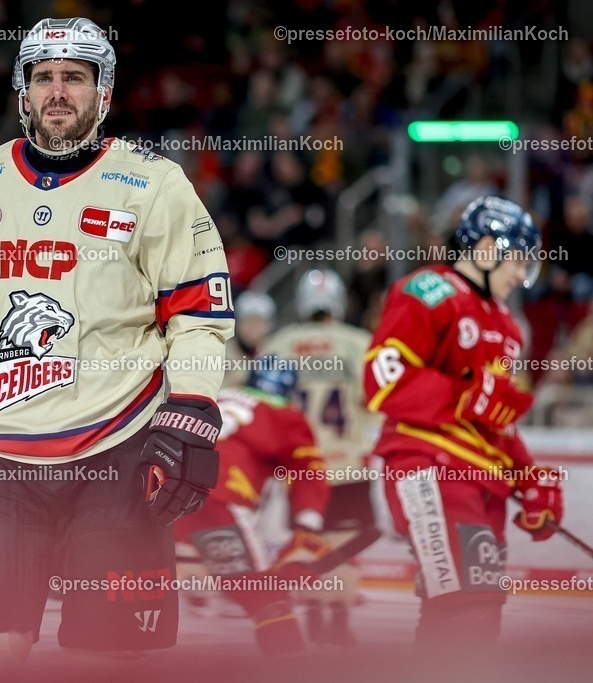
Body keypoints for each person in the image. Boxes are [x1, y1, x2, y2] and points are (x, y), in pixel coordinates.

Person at [0, 17, 234, 679]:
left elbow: (198, 313)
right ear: (23, 91)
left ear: (103, 92)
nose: (58, 91)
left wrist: (193, 407)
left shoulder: (156, 184)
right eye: (44, 77)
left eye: (75, 78)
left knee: (103, 660)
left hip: (119, 456)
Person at [363, 195, 564, 656]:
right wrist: (464, 395)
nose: (521, 275)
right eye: (518, 261)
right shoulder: (429, 290)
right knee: (465, 609)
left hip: (483, 482)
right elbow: (382, 380)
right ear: (487, 248)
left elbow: (495, 422)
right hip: (429, 466)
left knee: (478, 614)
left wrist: (528, 477)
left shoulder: (508, 326)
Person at [174, 358, 330, 657]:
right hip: (216, 499)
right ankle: (290, 666)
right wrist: (308, 525)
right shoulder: (284, 415)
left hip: (159, 491)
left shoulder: (216, 396)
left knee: (127, 583)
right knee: (267, 598)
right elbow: (308, 471)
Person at [260, 268, 379, 645]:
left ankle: (312, 615)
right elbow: (375, 401)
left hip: (301, 469)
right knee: (344, 544)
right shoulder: (360, 343)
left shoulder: (278, 344)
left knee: (308, 543)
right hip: (347, 463)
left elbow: (264, 406)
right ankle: (338, 622)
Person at [222, 289, 275, 387]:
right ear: (236, 322)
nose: (253, 327)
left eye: (258, 321)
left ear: (268, 324)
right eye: (247, 321)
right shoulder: (220, 351)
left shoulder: (275, 353)